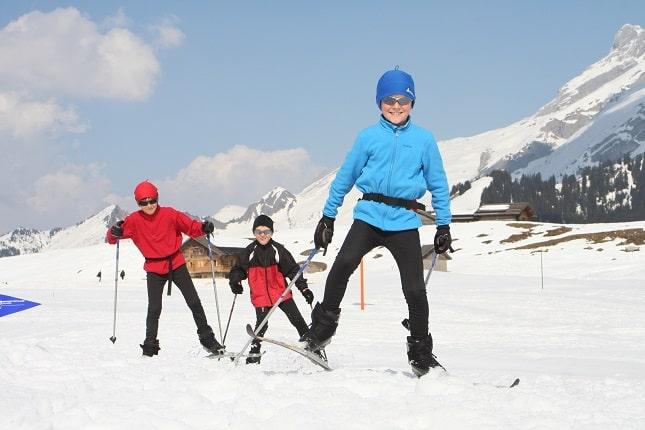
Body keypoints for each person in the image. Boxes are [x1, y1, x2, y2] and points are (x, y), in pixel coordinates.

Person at [300, 67, 453, 376]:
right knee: (342, 265)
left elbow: (438, 184)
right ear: (379, 102)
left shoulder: (424, 140)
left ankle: (421, 353)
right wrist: (327, 216)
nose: (396, 106)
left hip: (404, 222)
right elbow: (346, 177)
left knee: (414, 290)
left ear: (412, 102)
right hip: (369, 216)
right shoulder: (368, 137)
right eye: (389, 100)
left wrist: (444, 225)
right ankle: (323, 329)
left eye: (403, 100)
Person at [106, 180, 224, 357]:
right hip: (154, 267)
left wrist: (203, 227)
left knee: (194, 302)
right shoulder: (134, 221)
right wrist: (113, 232)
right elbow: (112, 238)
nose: (149, 205)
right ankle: (150, 345)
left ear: (157, 198)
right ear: (138, 203)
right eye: (143, 202)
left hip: (175, 263)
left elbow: (191, 227)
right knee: (154, 308)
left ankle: (207, 338)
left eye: (152, 200)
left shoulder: (170, 214)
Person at [228, 214, 315, 364]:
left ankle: (313, 348)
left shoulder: (278, 250)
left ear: (272, 233)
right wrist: (235, 281)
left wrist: (304, 289)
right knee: (261, 325)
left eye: (266, 232)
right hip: (260, 296)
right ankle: (254, 354)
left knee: (297, 320)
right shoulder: (250, 251)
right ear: (254, 233)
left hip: (281, 294)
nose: (262, 235)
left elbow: (294, 271)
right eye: (258, 232)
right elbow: (238, 269)